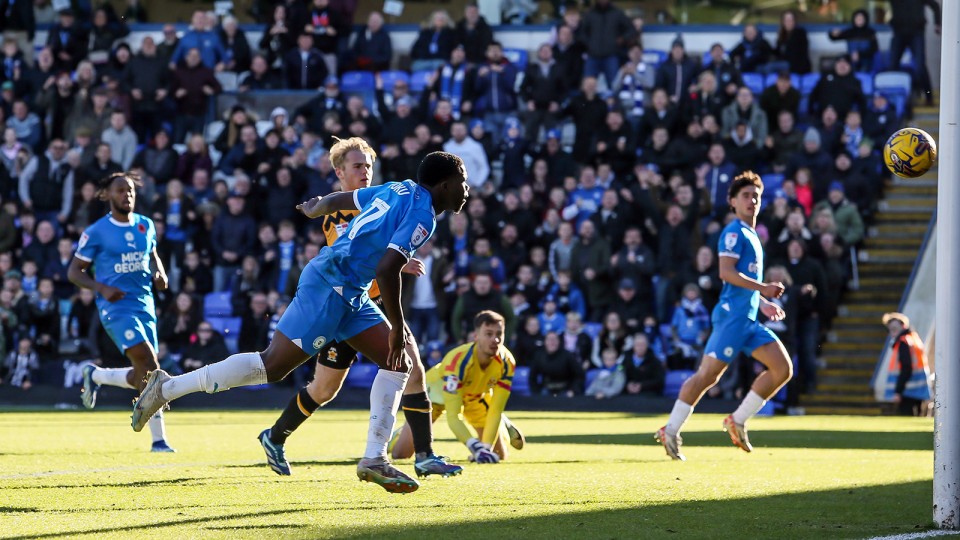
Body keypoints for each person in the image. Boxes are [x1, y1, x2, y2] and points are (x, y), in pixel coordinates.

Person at [131, 150, 470, 494]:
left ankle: (375, 459)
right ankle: (167, 387)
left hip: (351, 292)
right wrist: (398, 327)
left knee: (399, 362)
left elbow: (343, 198)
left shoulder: (398, 188)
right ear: (445, 184)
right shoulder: (423, 214)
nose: (467, 190)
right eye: (463, 182)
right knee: (272, 367)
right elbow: (386, 268)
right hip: (330, 286)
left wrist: (316, 207)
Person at [258, 137, 461, 480]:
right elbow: (352, 254)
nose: (365, 172)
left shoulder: (385, 195)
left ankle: (423, 454)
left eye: (368, 165)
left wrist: (398, 259)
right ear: (340, 172)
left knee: (410, 367)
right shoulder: (339, 213)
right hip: (341, 300)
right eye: (357, 166)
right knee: (324, 389)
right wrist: (395, 261)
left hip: (372, 303)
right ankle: (274, 436)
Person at [655, 171, 793, 461]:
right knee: (707, 376)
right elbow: (726, 273)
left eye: (756, 196)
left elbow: (744, 279)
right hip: (732, 319)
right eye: (745, 195)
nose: (752, 200)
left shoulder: (752, 234)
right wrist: (764, 288)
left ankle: (738, 420)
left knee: (782, 369)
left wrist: (762, 301)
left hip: (748, 318)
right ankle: (671, 429)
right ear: (732, 201)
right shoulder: (734, 232)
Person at [69, 172, 175, 453]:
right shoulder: (96, 232)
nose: (126, 195)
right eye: (119, 190)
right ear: (108, 195)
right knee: (150, 364)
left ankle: (97, 376)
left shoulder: (146, 225)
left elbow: (152, 254)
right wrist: (101, 288)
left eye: (129, 190)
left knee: (143, 372)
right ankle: (159, 439)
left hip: (145, 303)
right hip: (115, 307)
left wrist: (159, 271)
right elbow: (74, 272)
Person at [391, 310, 525, 463]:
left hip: (474, 397)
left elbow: (496, 409)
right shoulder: (458, 361)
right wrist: (475, 447)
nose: (495, 339)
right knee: (400, 454)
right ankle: (399, 435)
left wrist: (485, 450)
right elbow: (453, 416)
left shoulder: (507, 362)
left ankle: (502, 423)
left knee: (498, 454)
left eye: (499, 334)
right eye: (488, 334)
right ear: (476, 336)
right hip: (437, 393)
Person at [888, 0, 941, 105]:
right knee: (892, 66)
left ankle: (928, 96)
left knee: (920, 66)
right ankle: (894, 101)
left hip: (916, 32)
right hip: (899, 32)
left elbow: (935, 5)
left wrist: (937, 23)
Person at [883, 312, 931, 416]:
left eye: (894, 328)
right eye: (890, 329)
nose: (892, 332)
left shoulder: (903, 342)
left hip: (907, 391)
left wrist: (898, 391)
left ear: (903, 326)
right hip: (918, 390)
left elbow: (906, 368)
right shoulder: (914, 339)